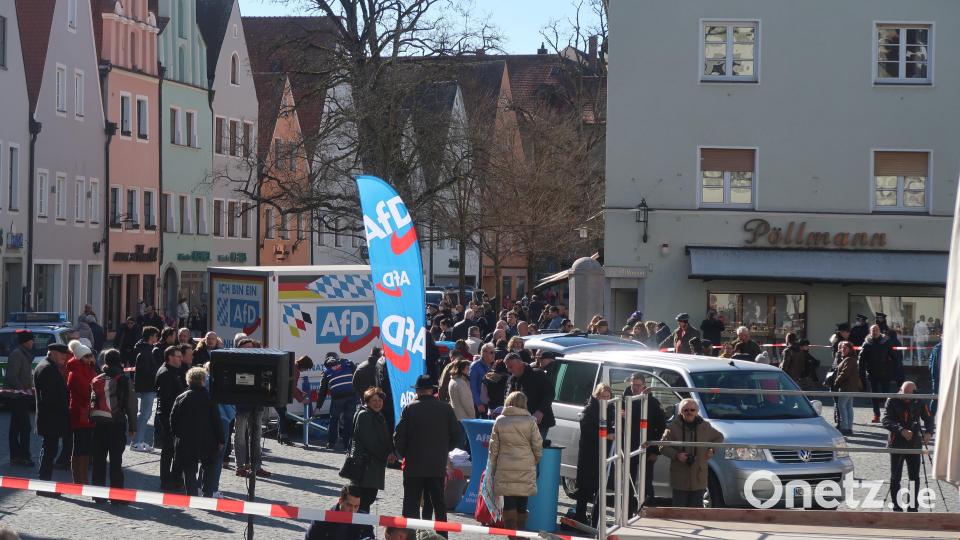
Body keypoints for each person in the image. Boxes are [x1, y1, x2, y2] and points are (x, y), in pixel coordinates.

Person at [394, 375, 460, 534]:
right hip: (437, 465)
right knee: (439, 504)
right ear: (433, 391)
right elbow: (457, 436)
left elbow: (399, 437)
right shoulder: (446, 409)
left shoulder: (410, 408)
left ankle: (412, 536)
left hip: (414, 465)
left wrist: (405, 454)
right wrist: (443, 450)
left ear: (417, 391)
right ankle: (442, 536)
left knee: (411, 504)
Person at [488, 391, 542, 534]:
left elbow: (493, 448)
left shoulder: (500, 420)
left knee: (509, 500)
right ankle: (521, 532)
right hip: (526, 465)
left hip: (505, 466)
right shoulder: (530, 421)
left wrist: (493, 468)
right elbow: (537, 445)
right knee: (522, 500)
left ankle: (511, 533)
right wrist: (534, 460)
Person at [90, 349, 137, 503]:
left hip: (99, 424)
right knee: (116, 461)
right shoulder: (123, 379)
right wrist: (132, 426)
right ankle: (117, 497)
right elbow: (131, 405)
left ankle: (98, 495)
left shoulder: (97, 378)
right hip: (116, 424)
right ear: (119, 361)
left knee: (99, 460)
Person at [659, 398, 724, 508]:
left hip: (699, 476)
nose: (689, 412)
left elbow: (719, 437)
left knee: (696, 512)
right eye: (686, 410)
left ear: (697, 411)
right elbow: (662, 446)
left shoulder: (705, 426)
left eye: (692, 410)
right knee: (679, 510)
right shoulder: (672, 427)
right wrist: (677, 455)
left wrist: (712, 449)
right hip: (680, 477)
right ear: (681, 412)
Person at [170, 367, 224, 496]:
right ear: (203, 381)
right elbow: (217, 420)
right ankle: (207, 494)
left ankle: (192, 495)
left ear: (188, 381)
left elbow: (173, 420)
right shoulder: (209, 398)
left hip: (187, 439)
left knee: (189, 468)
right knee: (209, 466)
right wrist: (221, 439)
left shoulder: (181, 398)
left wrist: (177, 436)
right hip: (208, 439)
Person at [882, 381, 934, 512]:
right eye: (903, 394)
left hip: (914, 443)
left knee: (914, 476)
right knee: (895, 476)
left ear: (914, 393)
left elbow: (929, 418)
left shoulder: (919, 400)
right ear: (900, 390)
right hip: (896, 442)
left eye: (909, 395)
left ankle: (912, 507)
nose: (905, 397)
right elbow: (886, 420)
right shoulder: (892, 400)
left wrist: (928, 432)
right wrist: (901, 430)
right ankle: (897, 506)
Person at [623, 373, 666, 511]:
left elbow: (661, 429)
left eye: (638, 385)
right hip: (628, 448)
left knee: (646, 483)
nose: (635, 388)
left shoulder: (652, 403)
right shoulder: (625, 400)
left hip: (647, 448)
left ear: (644, 386)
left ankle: (648, 510)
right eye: (632, 385)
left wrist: (655, 450)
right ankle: (628, 511)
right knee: (628, 482)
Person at [349, 387, 396, 512]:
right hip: (364, 467)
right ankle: (361, 529)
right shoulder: (364, 415)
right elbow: (370, 442)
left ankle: (363, 529)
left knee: (368, 499)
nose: (377, 403)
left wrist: (390, 451)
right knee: (362, 502)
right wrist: (386, 455)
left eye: (380, 400)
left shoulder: (378, 416)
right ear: (367, 401)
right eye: (374, 400)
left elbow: (385, 438)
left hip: (373, 467)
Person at [574, 383, 614, 526]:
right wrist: (605, 435)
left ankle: (595, 520)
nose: (606, 399)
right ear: (597, 396)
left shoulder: (610, 409)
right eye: (603, 397)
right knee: (584, 490)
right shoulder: (589, 409)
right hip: (589, 456)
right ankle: (579, 518)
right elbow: (587, 431)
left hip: (603, 455)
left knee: (600, 489)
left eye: (608, 397)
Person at [34, 343, 71, 486]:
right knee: (49, 452)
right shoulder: (47, 369)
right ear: (54, 353)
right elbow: (50, 398)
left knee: (49, 451)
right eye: (63, 354)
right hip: (51, 419)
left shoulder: (48, 366)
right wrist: (66, 407)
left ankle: (44, 483)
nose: (66, 357)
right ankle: (44, 485)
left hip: (51, 418)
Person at [66, 341, 98, 484]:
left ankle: (82, 477)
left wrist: (93, 364)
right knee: (80, 445)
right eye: (88, 356)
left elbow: (95, 381)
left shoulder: (87, 368)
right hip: (80, 413)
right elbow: (88, 391)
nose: (91, 358)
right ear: (81, 357)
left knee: (85, 445)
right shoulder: (75, 372)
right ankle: (79, 479)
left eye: (91, 355)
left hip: (87, 412)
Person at [504, 353, 555, 440]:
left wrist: (541, 411)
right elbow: (508, 399)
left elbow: (550, 393)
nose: (509, 370)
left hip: (539, 423)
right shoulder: (512, 380)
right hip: (519, 424)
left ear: (520, 363)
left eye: (511, 367)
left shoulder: (538, 374)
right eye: (507, 367)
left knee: (534, 451)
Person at [155, 345, 186, 491]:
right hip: (168, 416)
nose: (181, 359)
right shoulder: (166, 373)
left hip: (173, 416)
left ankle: (174, 478)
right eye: (178, 356)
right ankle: (166, 480)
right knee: (168, 450)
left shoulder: (173, 371)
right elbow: (167, 400)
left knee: (174, 449)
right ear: (170, 358)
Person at [317, 352, 357, 451]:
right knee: (349, 420)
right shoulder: (348, 363)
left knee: (334, 420)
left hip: (337, 397)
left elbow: (323, 390)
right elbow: (357, 376)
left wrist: (318, 406)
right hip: (351, 395)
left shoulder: (326, 371)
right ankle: (347, 444)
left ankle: (331, 443)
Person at [6, 330, 35, 467]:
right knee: (24, 427)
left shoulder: (24, 354)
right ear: (25, 342)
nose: (32, 342)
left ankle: (16, 456)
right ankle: (23, 457)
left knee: (17, 427)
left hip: (22, 396)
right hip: (18, 397)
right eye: (31, 340)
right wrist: (23, 390)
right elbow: (12, 376)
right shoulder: (17, 354)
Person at [304, 484, 374, 540]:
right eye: (349, 505)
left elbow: (369, 536)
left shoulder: (364, 519)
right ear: (340, 501)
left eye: (356, 506)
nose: (352, 510)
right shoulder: (321, 520)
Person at [131, 326, 160, 452]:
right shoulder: (146, 351)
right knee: (144, 414)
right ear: (151, 336)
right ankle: (137, 442)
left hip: (146, 386)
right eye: (155, 336)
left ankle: (138, 440)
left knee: (144, 414)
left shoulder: (145, 349)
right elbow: (146, 371)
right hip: (148, 386)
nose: (157, 338)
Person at [859, 324, 894, 423]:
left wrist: (894, 370)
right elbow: (861, 360)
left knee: (886, 395)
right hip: (872, 373)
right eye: (872, 330)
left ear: (879, 331)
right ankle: (876, 415)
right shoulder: (867, 343)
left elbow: (894, 357)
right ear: (870, 332)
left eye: (876, 330)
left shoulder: (886, 342)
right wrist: (861, 372)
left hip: (885, 373)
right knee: (874, 395)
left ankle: (888, 415)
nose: (874, 332)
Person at [832, 341, 861, 436]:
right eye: (842, 348)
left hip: (846, 387)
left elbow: (844, 373)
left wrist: (836, 382)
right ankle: (848, 427)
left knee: (842, 406)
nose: (843, 350)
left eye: (845, 348)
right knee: (848, 407)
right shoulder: (850, 359)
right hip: (850, 387)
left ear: (850, 349)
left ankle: (845, 427)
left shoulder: (849, 360)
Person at [469, 343, 495, 416]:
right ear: (484, 353)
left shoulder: (493, 365)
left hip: (490, 402)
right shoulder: (475, 366)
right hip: (481, 404)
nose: (494, 355)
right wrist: (478, 403)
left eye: (494, 352)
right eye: (492, 352)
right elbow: (473, 387)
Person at [447, 359, 475, 424]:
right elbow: (466, 403)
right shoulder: (461, 383)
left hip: (456, 416)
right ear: (462, 369)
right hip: (464, 418)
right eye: (467, 368)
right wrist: (472, 416)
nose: (469, 371)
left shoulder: (452, 380)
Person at [929, 341, 941, 415]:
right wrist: (931, 369)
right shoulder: (937, 347)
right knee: (935, 396)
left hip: (947, 377)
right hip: (937, 376)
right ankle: (931, 417)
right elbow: (931, 359)